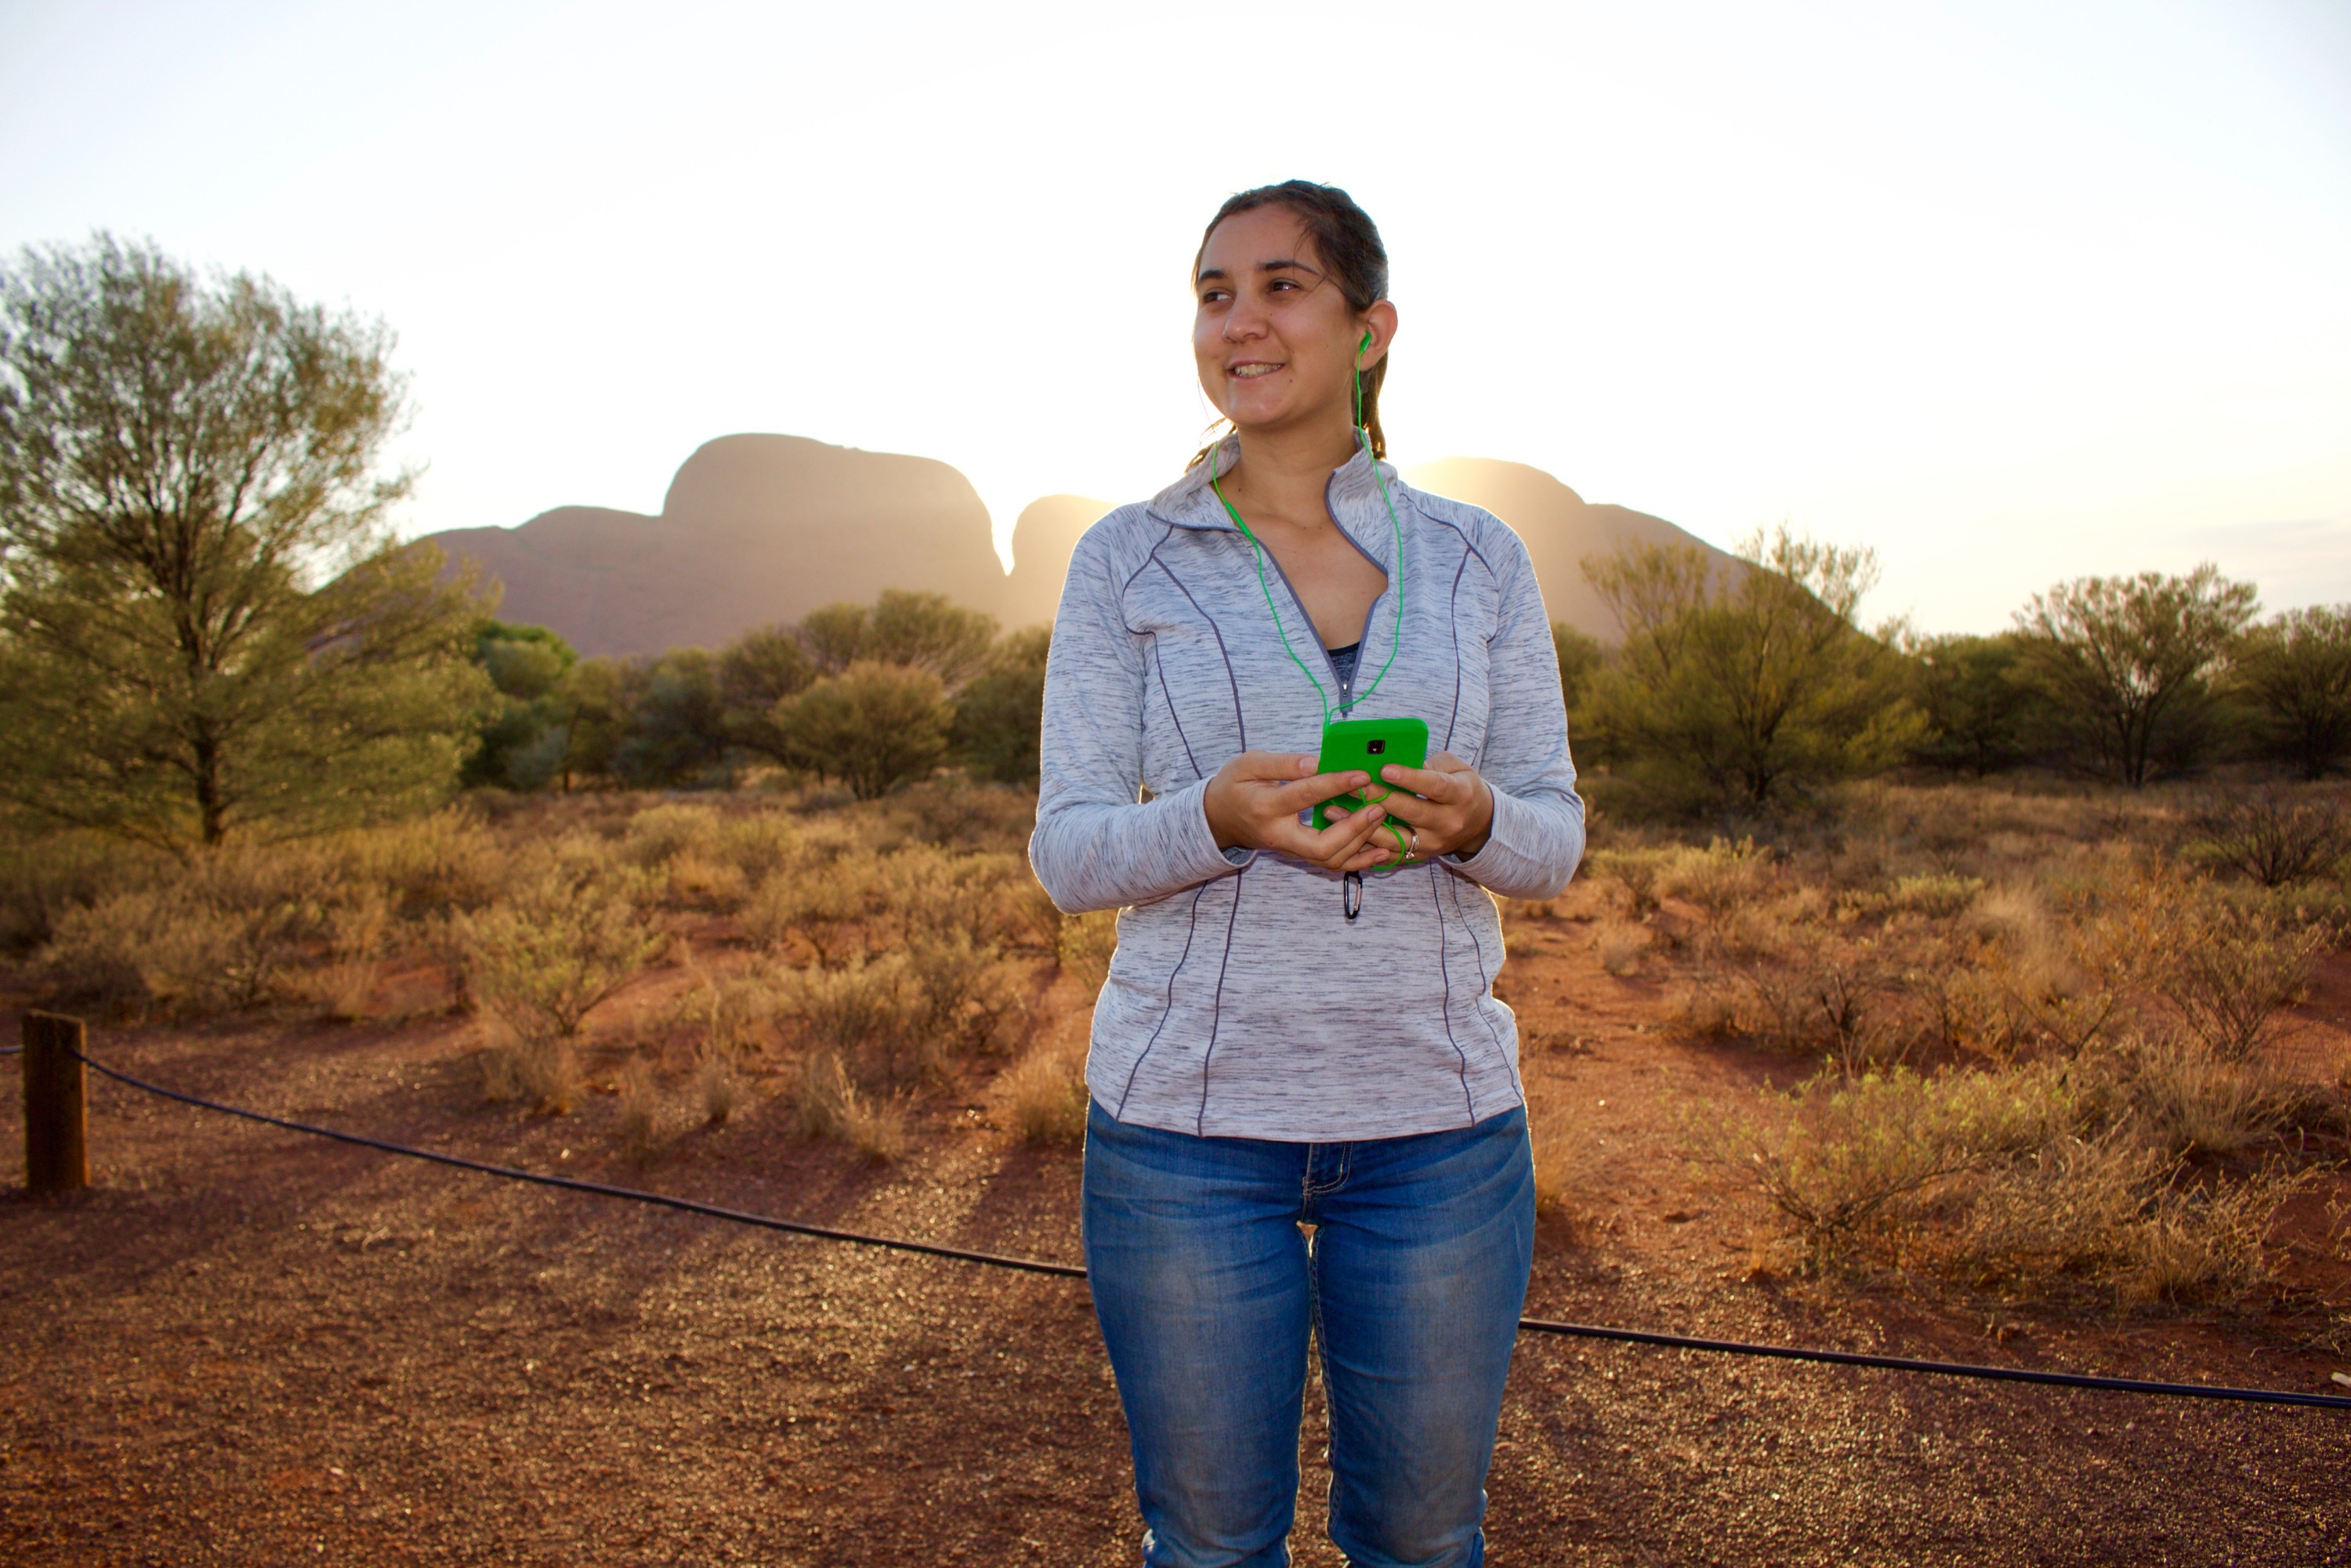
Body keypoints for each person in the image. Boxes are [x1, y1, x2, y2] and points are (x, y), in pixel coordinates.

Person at [1028, 179, 1585, 1568]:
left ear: (1369, 326)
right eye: (1214, 294)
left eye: (1281, 286)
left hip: (1440, 1127)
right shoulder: (1125, 560)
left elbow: (1557, 833)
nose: (1240, 322)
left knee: (1422, 1538)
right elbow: (1067, 848)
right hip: (1185, 1136)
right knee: (1212, 1544)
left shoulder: (1479, 558)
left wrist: (1470, 824)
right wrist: (1217, 817)